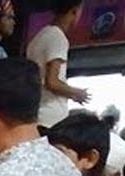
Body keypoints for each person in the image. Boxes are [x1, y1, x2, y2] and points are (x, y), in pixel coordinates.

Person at [25, 0, 89, 129]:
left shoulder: (38, 37)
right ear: (74, 11)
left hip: (36, 112)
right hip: (51, 119)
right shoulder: (58, 37)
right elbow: (52, 82)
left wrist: (70, 94)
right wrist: (77, 92)